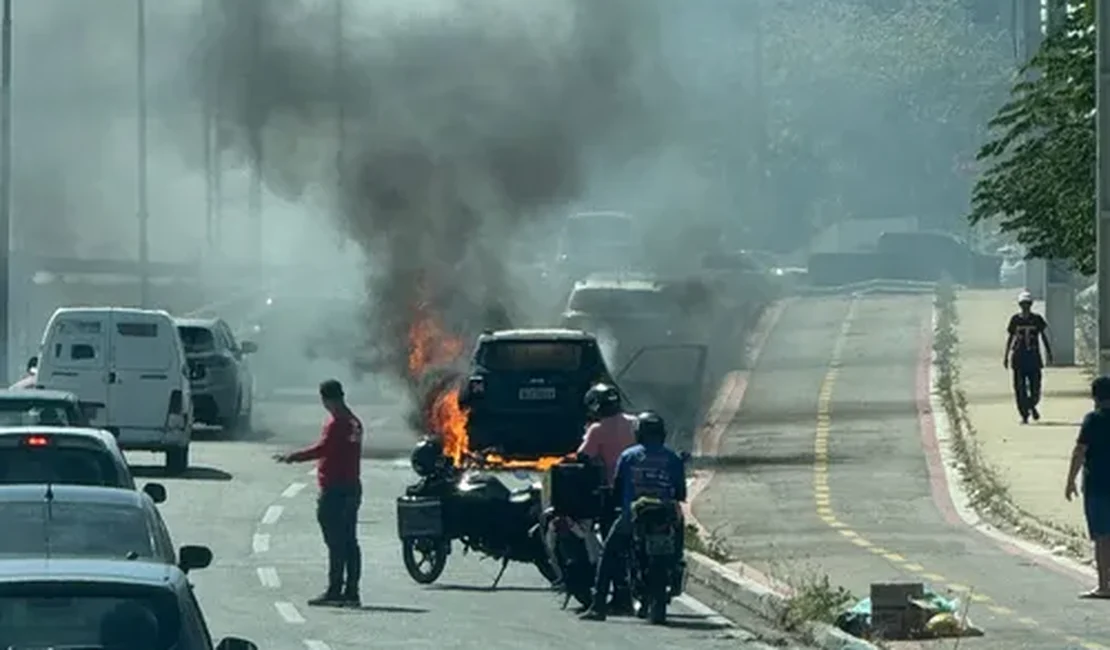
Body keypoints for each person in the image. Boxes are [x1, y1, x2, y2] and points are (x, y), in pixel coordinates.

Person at [580, 410, 686, 622]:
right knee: (678, 546)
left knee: (608, 553)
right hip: (665, 515)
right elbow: (681, 493)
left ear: (638, 433)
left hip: (634, 514)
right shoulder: (672, 458)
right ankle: (675, 567)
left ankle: (598, 605)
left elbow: (617, 489)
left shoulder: (628, 456)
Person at [274, 379, 365, 607]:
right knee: (349, 541)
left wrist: (292, 457)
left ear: (326, 399)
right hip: (351, 486)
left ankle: (336, 589)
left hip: (336, 489)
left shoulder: (337, 424)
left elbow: (323, 449)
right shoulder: (354, 421)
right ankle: (351, 590)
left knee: (335, 541)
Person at [576, 383, 637, 612]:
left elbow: (584, 456)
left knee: (611, 549)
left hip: (614, 493)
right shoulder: (635, 422)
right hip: (643, 490)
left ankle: (611, 599)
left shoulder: (597, 430)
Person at [1065, 375, 1110, 598]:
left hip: (1098, 486)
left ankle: (1104, 585)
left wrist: (1070, 480)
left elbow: (1079, 451)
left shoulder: (1092, 420)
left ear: (1094, 396)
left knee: (1102, 537)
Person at [1004, 290, 1053, 424]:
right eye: (1023, 304)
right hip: (1018, 358)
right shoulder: (1015, 320)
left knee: (1035, 388)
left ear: (1031, 305)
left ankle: (1032, 405)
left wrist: (1049, 352)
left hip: (1033, 358)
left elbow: (1043, 336)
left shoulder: (1037, 319)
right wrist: (1006, 356)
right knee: (1019, 389)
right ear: (1020, 305)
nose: (1025, 306)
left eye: (1028, 304)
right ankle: (1024, 414)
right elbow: (1010, 338)